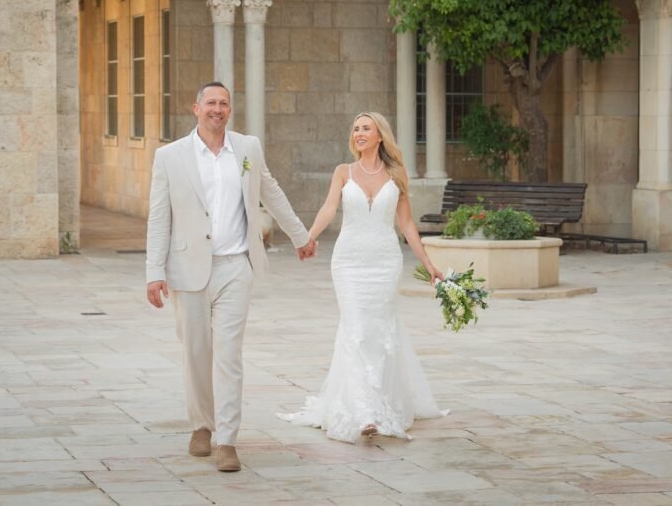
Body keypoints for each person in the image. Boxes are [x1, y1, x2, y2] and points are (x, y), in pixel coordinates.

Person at [146, 82, 316, 472]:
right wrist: (154, 271)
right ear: (196, 108)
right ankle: (200, 426)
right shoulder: (170, 157)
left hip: (236, 265)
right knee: (195, 353)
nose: (217, 110)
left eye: (223, 104)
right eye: (210, 103)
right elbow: (159, 216)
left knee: (228, 354)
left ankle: (227, 439)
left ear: (230, 110)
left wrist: (300, 235)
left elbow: (269, 191)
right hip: (188, 269)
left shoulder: (247, 148)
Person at [277, 111, 448, 442]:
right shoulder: (344, 172)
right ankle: (364, 412)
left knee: (378, 333)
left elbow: (407, 224)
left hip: (385, 262)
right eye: (355, 128)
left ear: (380, 136)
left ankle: (377, 401)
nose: (359, 133)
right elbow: (329, 208)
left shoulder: (397, 174)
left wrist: (428, 264)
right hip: (349, 262)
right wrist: (307, 237)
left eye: (365, 128)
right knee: (355, 330)